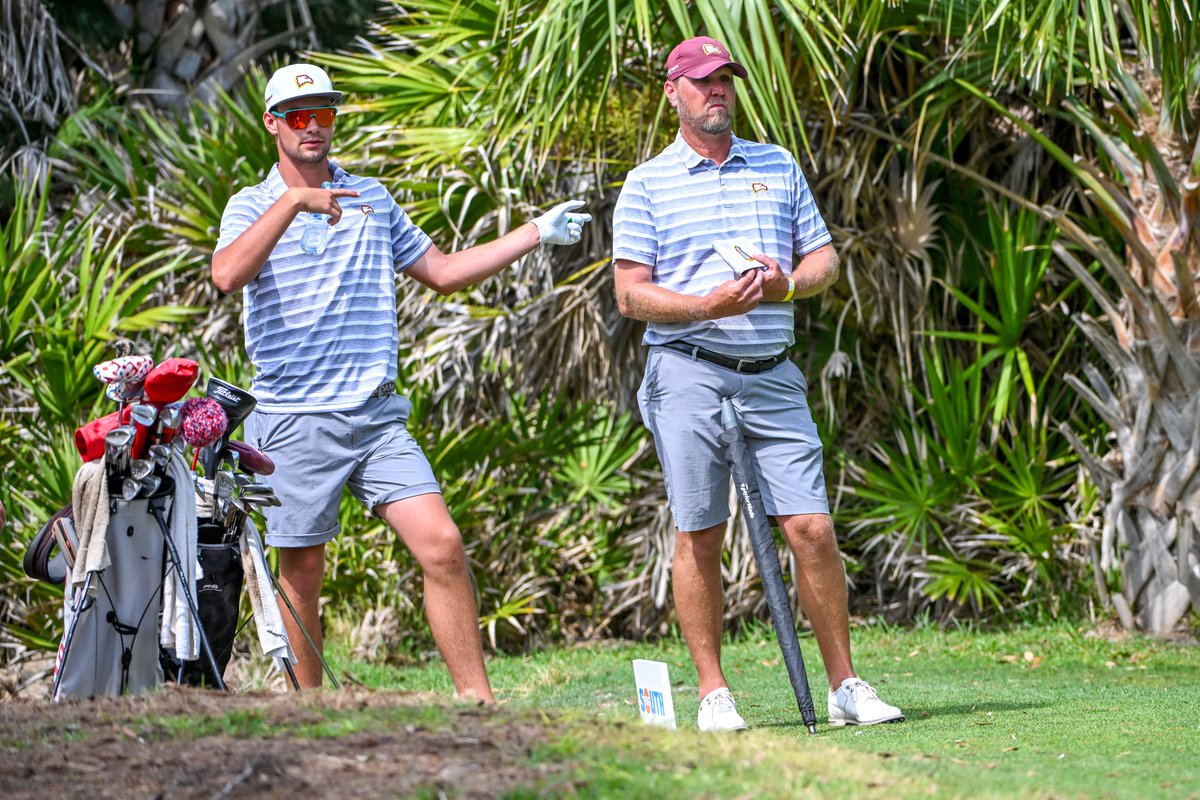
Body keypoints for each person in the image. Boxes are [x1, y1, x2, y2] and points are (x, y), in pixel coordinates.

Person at [212, 63, 591, 695]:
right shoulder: (250, 204)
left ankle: (478, 704)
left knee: (442, 544)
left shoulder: (372, 198)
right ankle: (309, 716)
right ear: (273, 124)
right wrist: (294, 202)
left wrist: (534, 233)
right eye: (299, 116)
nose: (313, 126)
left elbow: (443, 273)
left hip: (376, 419)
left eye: (324, 113)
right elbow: (227, 276)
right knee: (302, 573)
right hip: (294, 419)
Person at [611, 36, 903, 731]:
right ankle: (714, 693)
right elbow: (630, 294)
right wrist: (706, 305)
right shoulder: (646, 183)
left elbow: (824, 261)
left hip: (772, 374)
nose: (718, 91)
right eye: (702, 81)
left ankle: (845, 687)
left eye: (725, 79)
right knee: (700, 532)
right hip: (687, 371)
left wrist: (787, 286)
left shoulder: (777, 164)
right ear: (672, 92)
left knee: (811, 527)